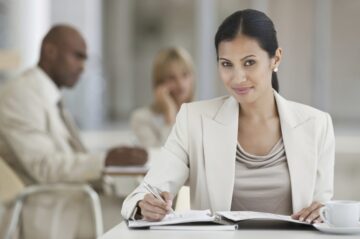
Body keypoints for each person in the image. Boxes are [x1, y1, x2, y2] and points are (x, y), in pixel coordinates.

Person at [121, 9, 335, 224]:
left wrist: (324, 212)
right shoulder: (194, 120)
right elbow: (146, 191)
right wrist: (144, 205)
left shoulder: (316, 125)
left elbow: (323, 207)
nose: (238, 78)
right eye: (226, 64)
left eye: (249, 62)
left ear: (276, 58)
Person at [0, 25, 147, 238]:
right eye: (77, 56)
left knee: (153, 208)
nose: (82, 67)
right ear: (50, 51)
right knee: (150, 219)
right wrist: (106, 160)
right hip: (51, 211)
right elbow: (44, 167)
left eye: (85, 59)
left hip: (74, 201)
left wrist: (114, 164)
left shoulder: (48, 96)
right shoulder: (20, 96)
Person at [131, 47, 195, 147]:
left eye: (185, 75)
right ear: (159, 83)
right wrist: (169, 115)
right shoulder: (142, 119)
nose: (180, 84)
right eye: (172, 78)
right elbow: (163, 158)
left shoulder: (199, 115)